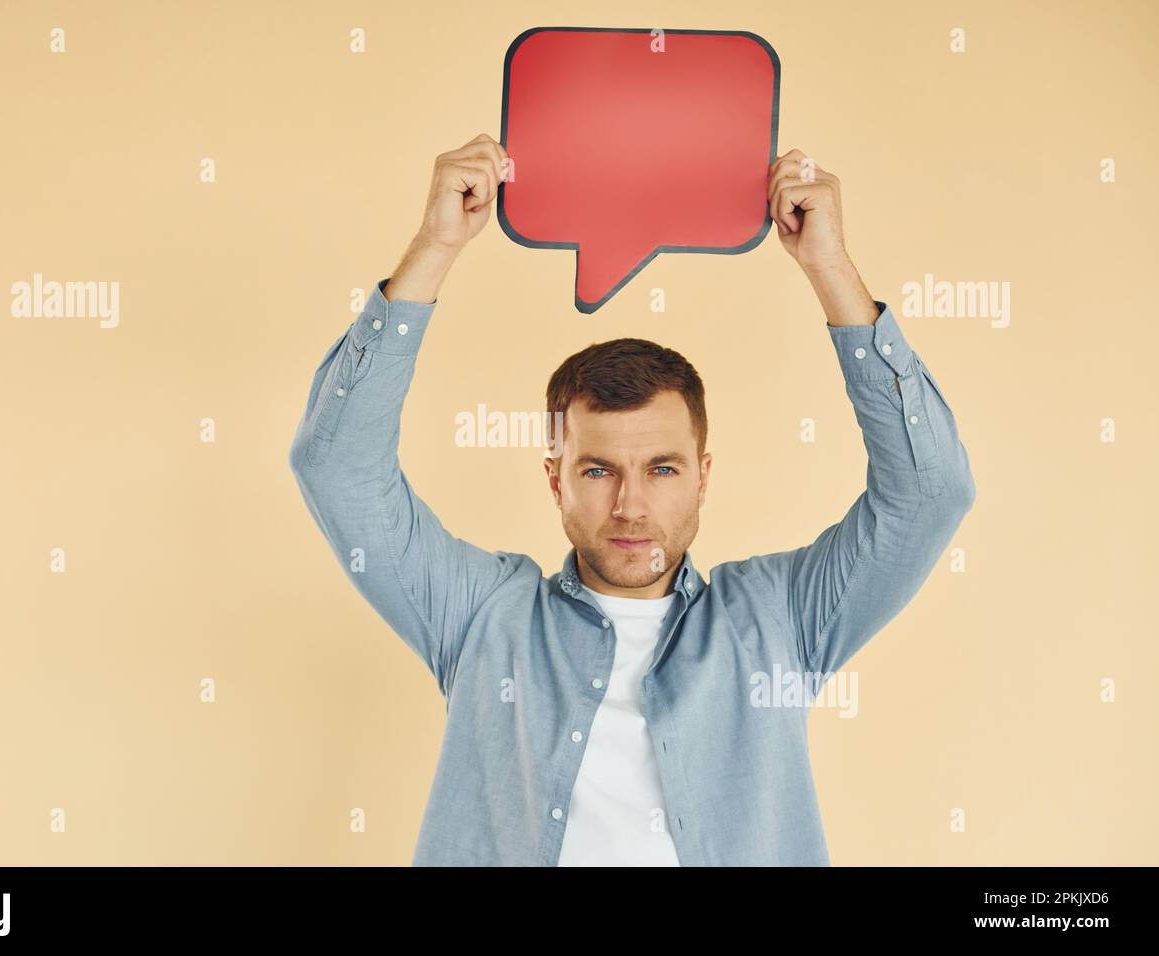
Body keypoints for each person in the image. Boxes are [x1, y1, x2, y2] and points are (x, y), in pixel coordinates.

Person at [288, 133, 976, 866]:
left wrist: (830, 268)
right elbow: (337, 469)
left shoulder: (778, 622)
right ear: (555, 479)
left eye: (663, 469)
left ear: (704, 475)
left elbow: (931, 494)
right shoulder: (483, 616)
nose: (631, 505)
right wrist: (434, 247)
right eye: (597, 471)